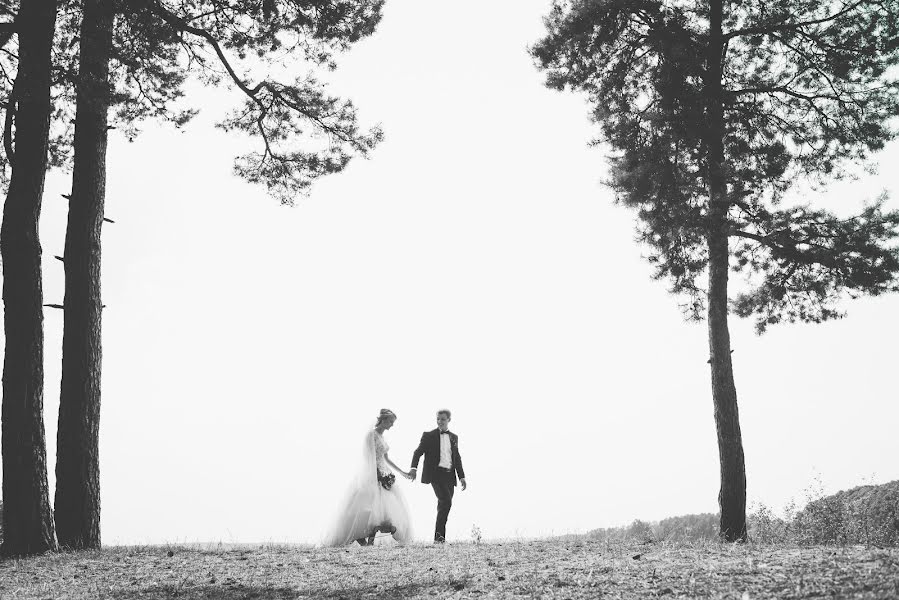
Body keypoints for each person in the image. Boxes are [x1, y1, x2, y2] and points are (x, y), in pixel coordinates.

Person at [323, 409, 414, 546]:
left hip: (384, 472)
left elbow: (386, 459)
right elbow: (368, 457)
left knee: (386, 507)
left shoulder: (382, 437)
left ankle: (371, 536)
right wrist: (375, 473)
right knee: (370, 506)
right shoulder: (371, 435)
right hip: (373, 474)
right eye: (390, 421)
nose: (392, 425)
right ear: (383, 420)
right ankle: (363, 535)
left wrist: (401, 472)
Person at [410, 409, 466, 543]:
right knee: (446, 501)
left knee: (444, 506)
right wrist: (413, 468)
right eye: (438, 419)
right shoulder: (429, 435)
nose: (440, 421)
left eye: (443, 419)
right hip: (435, 475)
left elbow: (456, 458)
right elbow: (418, 452)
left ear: (449, 420)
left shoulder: (454, 437)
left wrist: (462, 476)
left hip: (449, 476)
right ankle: (439, 538)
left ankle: (439, 538)